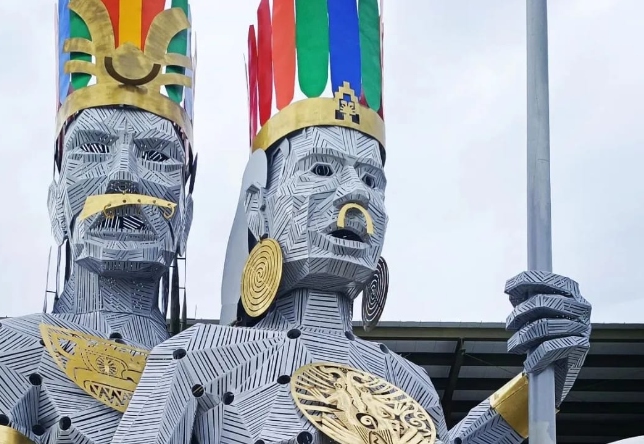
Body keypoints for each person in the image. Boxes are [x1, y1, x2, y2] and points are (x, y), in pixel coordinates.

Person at [112, 1, 592, 443]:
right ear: (259, 203)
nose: (355, 194)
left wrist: (541, 379)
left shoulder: (410, 384)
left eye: (371, 180)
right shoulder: (193, 360)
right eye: (321, 169)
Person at [0, 1, 197, 443]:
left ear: (185, 218)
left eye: (156, 155)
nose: (122, 175)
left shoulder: (224, 371)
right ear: (57, 205)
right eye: (92, 149)